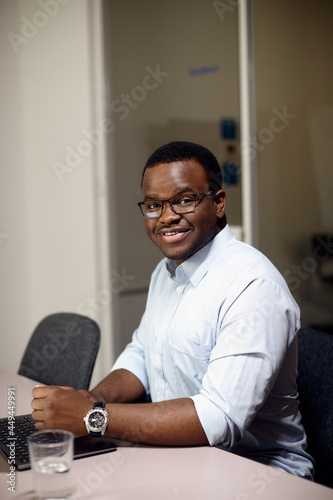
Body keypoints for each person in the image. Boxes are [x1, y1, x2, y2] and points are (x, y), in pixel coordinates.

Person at [31, 141, 314, 479]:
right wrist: (92, 397)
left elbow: (218, 417)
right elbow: (141, 354)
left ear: (219, 202)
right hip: (181, 455)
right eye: (153, 205)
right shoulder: (167, 272)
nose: (166, 217)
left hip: (257, 472)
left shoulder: (253, 287)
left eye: (184, 200)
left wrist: (94, 416)